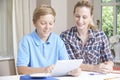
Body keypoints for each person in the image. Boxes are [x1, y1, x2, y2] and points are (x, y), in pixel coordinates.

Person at [17, 5, 81, 76]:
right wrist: (43, 70)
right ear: (34, 23)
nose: (47, 27)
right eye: (43, 23)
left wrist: (74, 70)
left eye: (50, 23)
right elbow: (21, 70)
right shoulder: (26, 41)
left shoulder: (58, 40)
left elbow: (66, 65)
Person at [60, 0, 114, 74]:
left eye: (84, 17)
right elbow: (69, 64)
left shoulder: (100, 35)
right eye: (77, 16)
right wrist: (94, 68)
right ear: (73, 15)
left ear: (91, 17)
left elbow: (109, 59)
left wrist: (108, 65)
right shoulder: (65, 36)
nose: (80, 20)